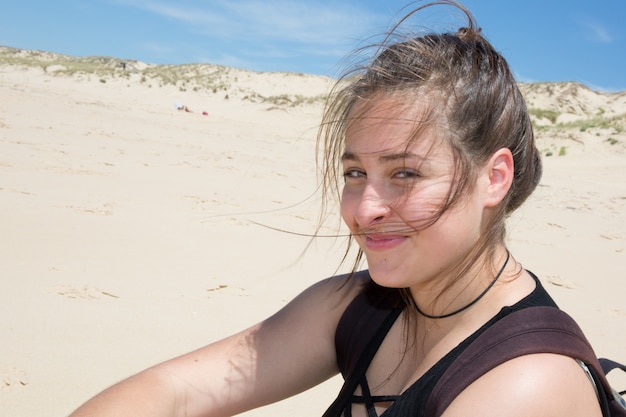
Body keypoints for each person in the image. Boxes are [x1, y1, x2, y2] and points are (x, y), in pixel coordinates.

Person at [68, 2, 604, 416]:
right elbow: (176, 392)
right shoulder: (355, 306)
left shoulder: (527, 384)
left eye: (405, 174)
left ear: (494, 178)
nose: (365, 208)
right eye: (355, 174)